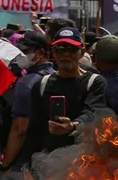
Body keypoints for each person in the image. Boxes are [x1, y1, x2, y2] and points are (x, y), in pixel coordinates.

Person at [25, 27, 107, 157]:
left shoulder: (94, 82)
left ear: (82, 52)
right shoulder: (41, 84)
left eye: (72, 49)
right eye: (60, 50)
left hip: (82, 159)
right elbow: (35, 127)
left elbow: (92, 112)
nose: (66, 55)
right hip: (48, 160)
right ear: (53, 52)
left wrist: (73, 126)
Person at [2, 31, 54, 171]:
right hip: (53, 157)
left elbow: (19, 128)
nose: (20, 55)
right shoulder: (56, 76)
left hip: (26, 161)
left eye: (25, 51)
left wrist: (5, 163)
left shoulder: (26, 83)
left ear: (41, 53)